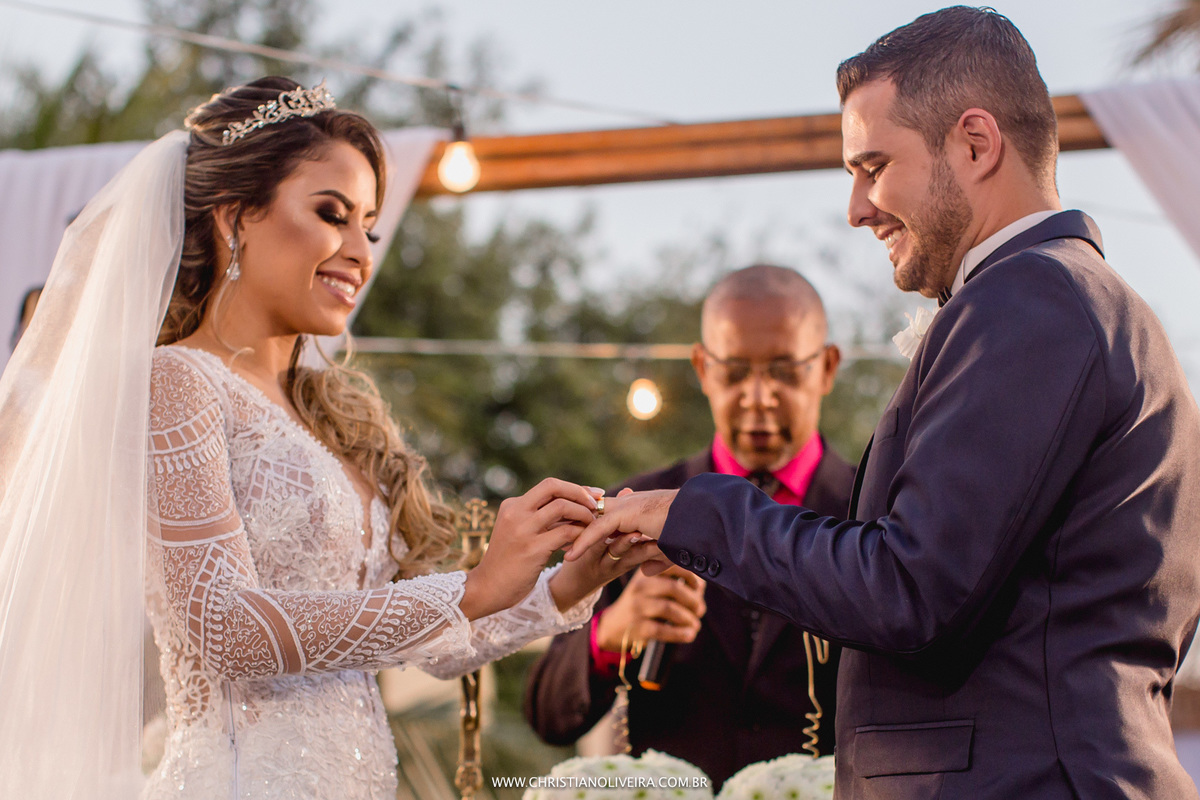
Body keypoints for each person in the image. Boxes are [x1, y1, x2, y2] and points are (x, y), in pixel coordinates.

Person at [568, 8, 1200, 799]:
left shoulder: (1031, 300)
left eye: (872, 166)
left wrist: (692, 516)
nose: (856, 207)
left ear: (976, 143)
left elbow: (913, 589)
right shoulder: (1078, 301)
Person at [0, 77, 654, 800]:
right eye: (331, 214)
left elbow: (427, 643)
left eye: (369, 227)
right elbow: (225, 628)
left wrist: (567, 582)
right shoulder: (178, 382)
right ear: (235, 217)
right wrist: (470, 588)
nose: (358, 252)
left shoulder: (331, 413)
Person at [523, 265, 852, 786]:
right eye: (735, 371)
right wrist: (610, 637)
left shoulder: (866, 512)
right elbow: (546, 713)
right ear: (702, 367)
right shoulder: (634, 503)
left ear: (827, 367)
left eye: (786, 371)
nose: (759, 396)